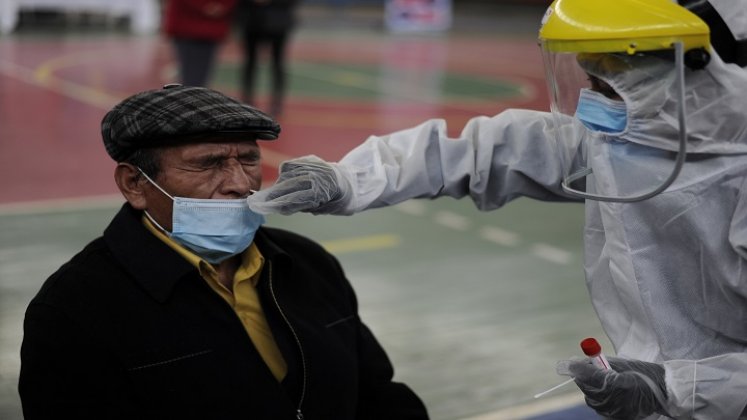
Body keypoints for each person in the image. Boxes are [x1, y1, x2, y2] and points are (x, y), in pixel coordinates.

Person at [246, 0, 747, 418]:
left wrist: (680, 387)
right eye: (594, 80)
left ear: (693, 73)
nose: (595, 99)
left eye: (614, 84)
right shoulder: (626, 138)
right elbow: (483, 150)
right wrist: (346, 180)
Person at [18, 84, 429, 420]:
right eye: (208, 163)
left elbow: (378, 396)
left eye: (249, 160)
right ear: (134, 185)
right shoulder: (75, 310)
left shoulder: (307, 264)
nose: (238, 182)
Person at [237, 0, 300, 116]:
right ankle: (246, 100)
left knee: (278, 64)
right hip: (252, 20)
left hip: (278, 22)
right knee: (250, 63)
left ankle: (277, 103)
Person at [163, 0, 238, 86]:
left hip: (211, 28)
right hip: (187, 27)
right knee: (192, 78)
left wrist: (220, 6)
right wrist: (210, 6)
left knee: (199, 78)